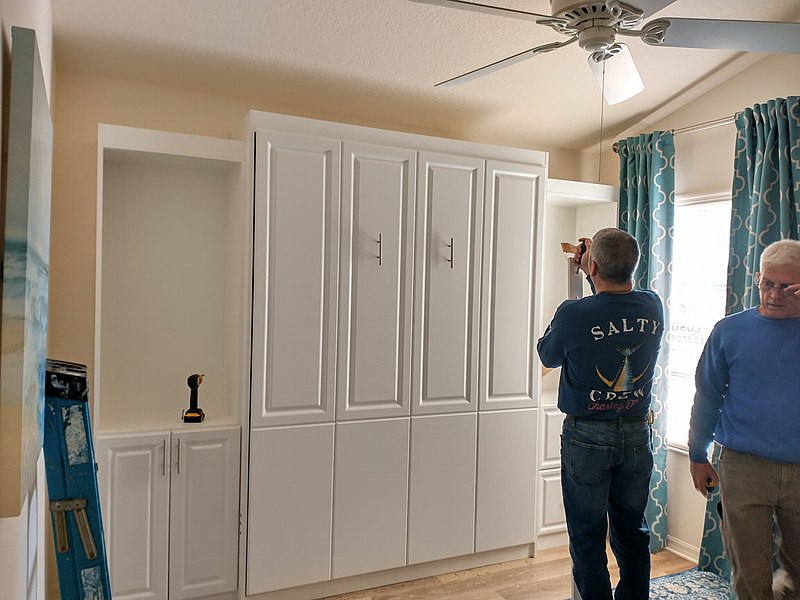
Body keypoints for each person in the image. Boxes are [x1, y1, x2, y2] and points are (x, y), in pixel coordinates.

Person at [537, 227, 664, 600]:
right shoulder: (652, 304)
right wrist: (595, 270)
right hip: (637, 434)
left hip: (588, 437)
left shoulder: (574, 313)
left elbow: (548, 355)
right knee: (631, 531)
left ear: (591, 265)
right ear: (634, 266)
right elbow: (613, 313)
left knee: (588, 536)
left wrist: (587, 271)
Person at [688, 238, 800, 600]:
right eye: (768, 283)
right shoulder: (729, 331)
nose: (774, 293)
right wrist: (696, 453)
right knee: (749, 572)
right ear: (757, 279)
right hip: (743, 467)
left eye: (787, 286)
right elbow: (707, 395)